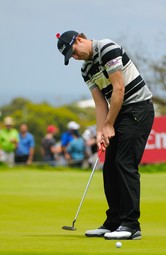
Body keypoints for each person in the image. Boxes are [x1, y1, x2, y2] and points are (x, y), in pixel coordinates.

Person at [56, 30, 155, 240]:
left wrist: (109, 124)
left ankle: (131, 225)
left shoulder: (107, 48)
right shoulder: (86, 70)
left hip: (138, 109)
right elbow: (101, 102)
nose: (75, 57)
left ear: (80, 39)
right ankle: (114, 222)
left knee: (124, 164)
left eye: (73, 52)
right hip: (118, 113)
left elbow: (119, 89)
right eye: (70, 57)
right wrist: (101, 131)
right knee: (109, 167)